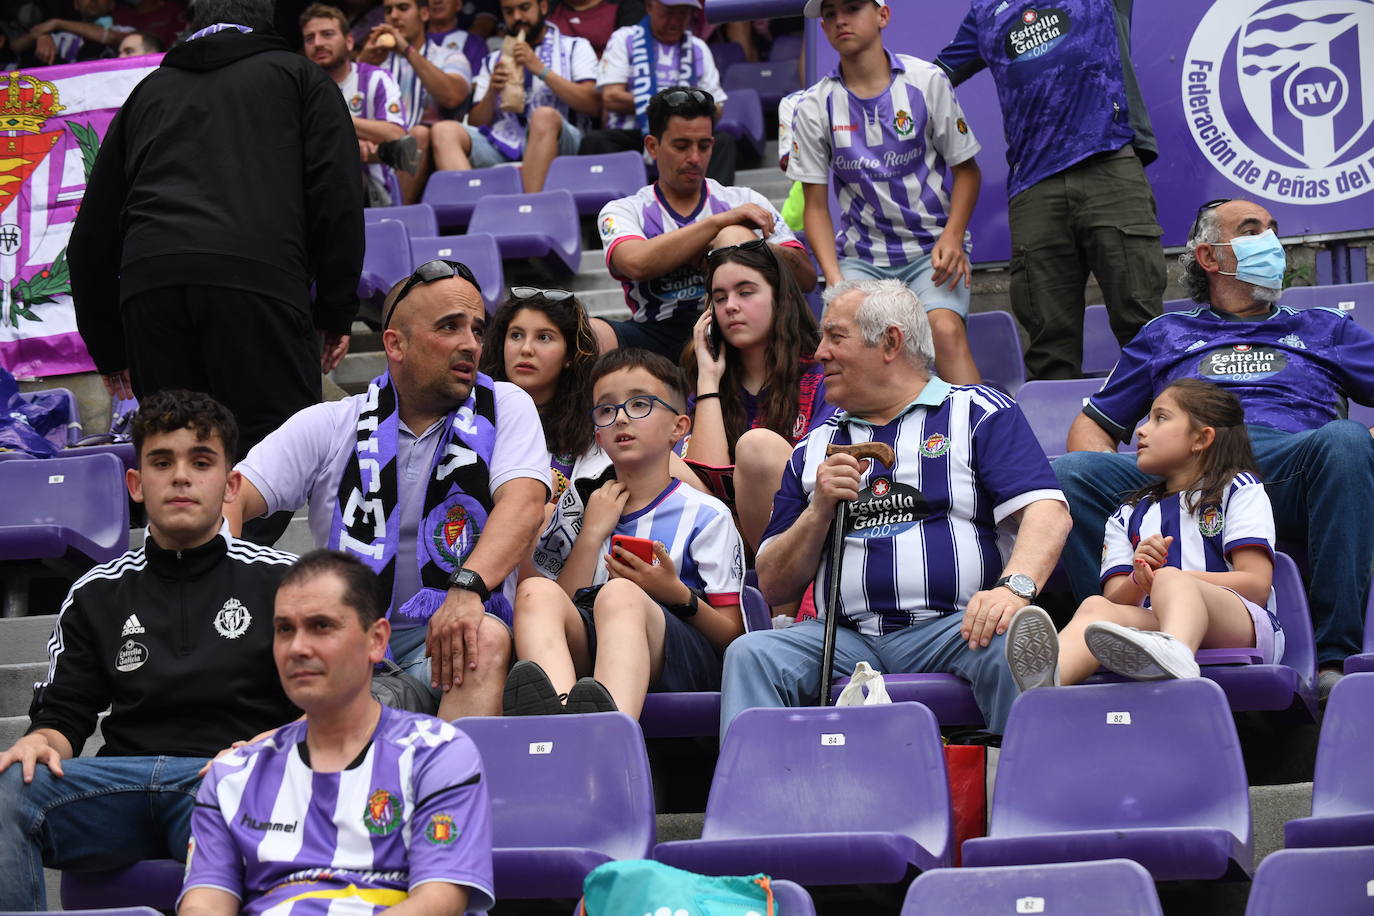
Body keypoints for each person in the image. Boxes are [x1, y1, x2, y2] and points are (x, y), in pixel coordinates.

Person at [719, 279, 1071, 737]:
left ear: (890, 342)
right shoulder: (814, 447)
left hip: (957, 631)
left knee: (1013, 637)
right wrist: (818, 509)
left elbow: (1047, 512)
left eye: (835, 336)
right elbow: (773, 583)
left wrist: (1012, 590)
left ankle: (1030, 798)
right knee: (752, 655)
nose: (820, 352)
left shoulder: (977, 412)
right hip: (842, 637)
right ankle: (760, 804)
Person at [1053, 198, 1374, 696]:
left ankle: (1334, 657)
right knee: (1073, 474)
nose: (1271, 242)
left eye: (1272, 230)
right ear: (1209, 257)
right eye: (1252, 231)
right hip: (1185, 472)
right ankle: (1120, 635)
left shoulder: (1324, 328)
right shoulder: (1165, 334)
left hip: (1289, 465)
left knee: (1348, 442)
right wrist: (1129, 471)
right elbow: (1093, 425)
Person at [0, 390, 298, 911]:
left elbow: (332, 710)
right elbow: (65, 714)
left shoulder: (287, 581)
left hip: (226, 777)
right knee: (8, 786)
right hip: (120, 786)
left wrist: (270, 747)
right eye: (162, 462)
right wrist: (40, 741)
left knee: (242, 793)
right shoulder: (95, 592)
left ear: (230, 485)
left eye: (200, 462)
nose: (181, 477)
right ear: (136, 484)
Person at [228, 260, 551, 720]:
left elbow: (524, 503)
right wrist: (223, 587)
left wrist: (466, 588)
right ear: (395, 344)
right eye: (450, 327)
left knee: (482, 636)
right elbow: (231, 493)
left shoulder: (505, 404)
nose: (471, 345)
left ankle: (448, 791)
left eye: (478, 330)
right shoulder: (332, 423)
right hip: (352, 645)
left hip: (450, 640)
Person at [69, 0, 363, 471]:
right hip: (257, 286)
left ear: (195, 23)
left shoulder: (147, 93)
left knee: (179, 462)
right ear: (265, 21)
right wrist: (335, 309)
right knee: (272, 466)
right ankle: (236, 542)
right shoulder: (302, 78)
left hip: (153, 294)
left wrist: (108, 345)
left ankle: (205, 546)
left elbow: (90, 233)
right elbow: (339, 196)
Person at [178, 551, 495, 916]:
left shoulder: (439, 753)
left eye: (321, 626)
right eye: (285, 629)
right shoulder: (232, 775)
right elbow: (204, 906)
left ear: (377, 640)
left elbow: (438, 902)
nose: (298, 648)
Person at [506, 348, 745, 718]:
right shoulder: (580, 500)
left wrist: (676, 594)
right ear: (597, 436)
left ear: (678, 429)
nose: (620, 418)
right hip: (595, 650)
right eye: (606, 410)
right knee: (535, 592)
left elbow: (732, 635)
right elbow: (560, 604)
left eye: (639, 405)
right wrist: (590, 535)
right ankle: (561, 717)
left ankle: (608, 737)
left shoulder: (707, 514)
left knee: (619, 594)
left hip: (681, 662)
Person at [936, 0, 1166, 380]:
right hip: (1033, 186)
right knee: (1048, 348)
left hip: (1107, 160)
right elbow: (935, 77)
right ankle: (1064, 438)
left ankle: (1165, 432)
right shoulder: (985, 12)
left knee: (1141, 323)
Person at [1008, 380, 1283, 689]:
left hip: (1241, 625)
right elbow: (1115, 598)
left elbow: (1257, 586)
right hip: (1159, 625)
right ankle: (1047, 683)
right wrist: (1140, 579)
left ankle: (1176, 653)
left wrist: (1170, 578)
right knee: (1094, 609)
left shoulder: (1238, 488)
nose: (1141, 430)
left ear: (1201, 438)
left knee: (1170, 579)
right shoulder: (1127, 513)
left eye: (1160, 418)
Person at [794, 0, 983, 386]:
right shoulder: (814, 105)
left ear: (883, 15)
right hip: (862, 259)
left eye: (852, 7)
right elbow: (814, 207)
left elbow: (967, 172)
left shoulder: (927, 81)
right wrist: (833, 279)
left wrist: (952, 237)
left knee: (944, 333)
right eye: (829, 13)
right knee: (847, 346)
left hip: (932, 251)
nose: (840, 20)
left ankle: (984, 438)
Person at [479, 287, 709, 580]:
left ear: (568, 356)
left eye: (544, 337)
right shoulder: (475, 415)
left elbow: (691, 488)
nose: (526, 349)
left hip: (577, 574)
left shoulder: (599, 420)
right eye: (516, 335)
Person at [594, 87, 815, 360]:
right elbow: (635, 263)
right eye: (681, 146)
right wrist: (716, 225)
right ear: (652, 146)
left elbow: (806, 278)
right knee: (588, 334)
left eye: (704, 145)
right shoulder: (624, 210)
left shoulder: (745, 199)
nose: (695, 158)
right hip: (655, 334)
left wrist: (746, 244)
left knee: (735, 236)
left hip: (730, 326)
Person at [684, 239, 834, 551]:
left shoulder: (821, 374)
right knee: (665, 463)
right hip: (730, 539)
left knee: (758, 449)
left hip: (803, 537)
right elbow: (702, 483)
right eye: (720, 298)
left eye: (746, 292)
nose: (731, 306)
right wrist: (708, 380)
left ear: (780, 297)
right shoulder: (712, 382)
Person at [435, 0, 600, 194]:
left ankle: (529, 209)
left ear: (543, 7)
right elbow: (475, 123)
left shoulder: (575, 47)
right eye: (509, 11)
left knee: (543, 116)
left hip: (563, 143)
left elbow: (592, 104)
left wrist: (541, 70)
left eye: (524, 8)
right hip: (503, 145)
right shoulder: (493, 59)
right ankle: (474, 213)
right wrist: (492, 93)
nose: (518, 18)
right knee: (444, 130)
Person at [581, 0, 737, 185]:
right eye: (668, 13)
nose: (675, 21)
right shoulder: (625, 39)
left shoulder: (697, 48)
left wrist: (688, 110)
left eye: (683, 14)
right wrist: (669, 106)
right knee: (596, 142)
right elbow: (611, 97)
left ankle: (714, 208)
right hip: (633, 132)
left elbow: (717, 107)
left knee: (723, 142)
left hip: (686, 136)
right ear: (649, 6)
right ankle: (617, 211)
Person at [302, 4, 418, 208]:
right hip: (311, 190)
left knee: (340, 170)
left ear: (349, 41)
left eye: (327, 34)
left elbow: (398, 136)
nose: (318, 43)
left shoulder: (376, 79)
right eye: (309, 38)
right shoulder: (300, 92)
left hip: (371, 192)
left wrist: (342, 125)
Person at [356, 0, 472, 203]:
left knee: (418, 134)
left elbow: (452, 96)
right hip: (376, 150)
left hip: (425, 154)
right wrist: (361, 65)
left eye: (403, 8)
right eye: (388, 10)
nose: (393, 16)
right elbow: (347, 107)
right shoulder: (375, 59)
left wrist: (408, 52)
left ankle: (394, 216)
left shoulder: (449, 56)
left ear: (425, 14)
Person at [20, 0, 130, 65]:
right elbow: (14, 48)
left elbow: (111, 38)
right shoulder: (63, 38)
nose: (93, 0)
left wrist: (57, 23)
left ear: (111, 4)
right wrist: (42, 36)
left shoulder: (125, 32)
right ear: (76, 4)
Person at [547, 0, 644, 56]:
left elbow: (632, 55)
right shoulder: (546, 6)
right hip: (553, 82)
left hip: (608, 83)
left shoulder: (627, 5)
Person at [427, 0, 488, 75]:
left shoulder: (474, 43)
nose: (437, 1)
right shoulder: (414, 39)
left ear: (458, 4)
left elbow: (479, 83)